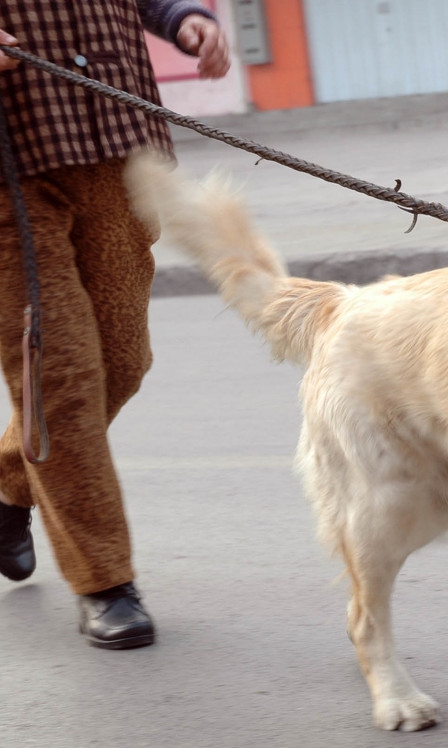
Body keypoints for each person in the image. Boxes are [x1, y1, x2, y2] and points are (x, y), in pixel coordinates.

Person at [0, 2, 230, 648]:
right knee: (61, 376)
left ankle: (10, 482)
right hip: (12, 167)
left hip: (116, 144)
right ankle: (104, 581)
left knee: (122, 362)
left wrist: (185, 17)